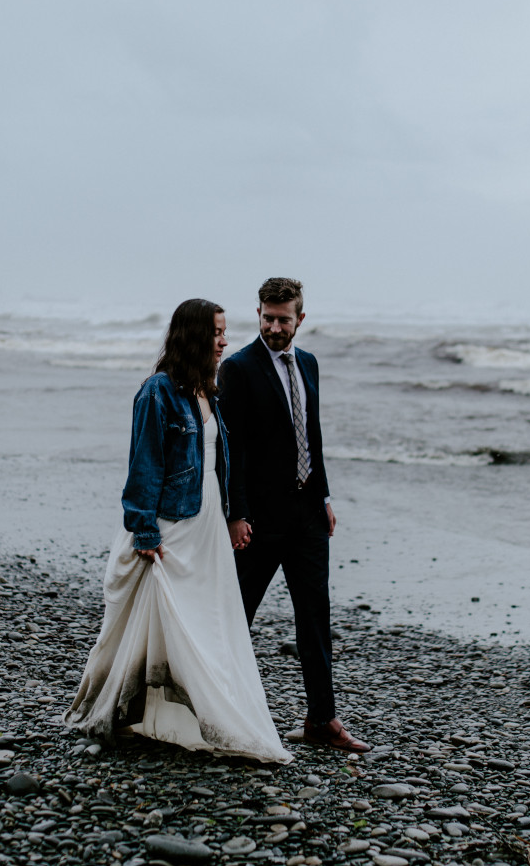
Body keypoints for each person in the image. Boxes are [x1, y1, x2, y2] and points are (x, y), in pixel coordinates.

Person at [65, 298, 292, 764]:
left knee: (207, 619)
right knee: (164, 617)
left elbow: (220, 461)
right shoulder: (157, 392)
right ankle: (136, 710)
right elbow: (143, 466)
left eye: (225, 332)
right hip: (170, 522)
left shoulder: (206, 390)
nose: (225, 340)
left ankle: (196, 715)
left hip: (206, 519)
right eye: (216, 332)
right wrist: (144, 530)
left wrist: (234, 514)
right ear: (193, 336)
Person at [218, 278, 370, 753]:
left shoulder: (309, 363)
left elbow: (312, 437)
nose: (275, 326)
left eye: (284, 319)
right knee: (236, 618)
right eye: (268, 317)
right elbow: (232, 449)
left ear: (300, 319)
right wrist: (236, 513)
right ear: (258, 314)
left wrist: (323, 497)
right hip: (259, 522)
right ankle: (217, 711)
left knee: (315, 620)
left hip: (307, 516)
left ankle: (321, 721)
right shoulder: (238, 368)